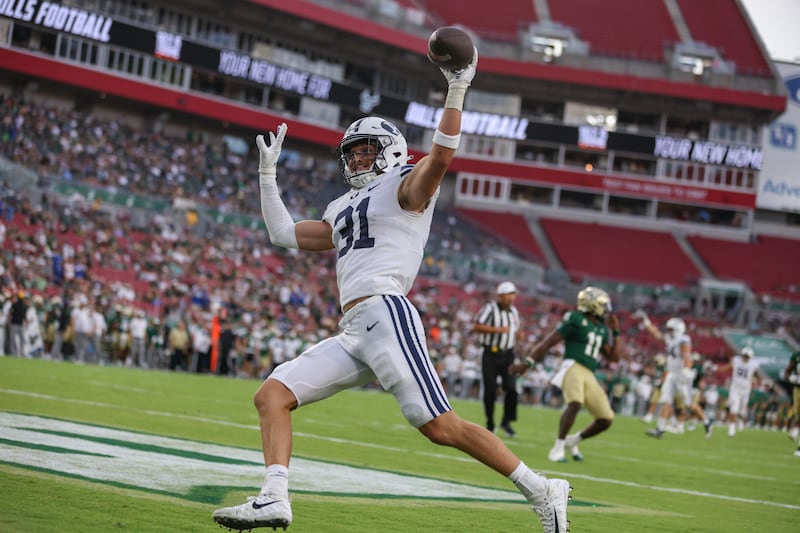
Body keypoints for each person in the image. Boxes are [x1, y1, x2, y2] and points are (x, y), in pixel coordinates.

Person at [212, 48, 572, 533]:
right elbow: (284, 234)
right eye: (352, 152)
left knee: (440, 426)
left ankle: (543, 490)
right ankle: (274, 498)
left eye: (367, 149)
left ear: (393, 151)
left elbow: (441, 155)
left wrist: (458, 85)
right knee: (272, 394)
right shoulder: (341, 205)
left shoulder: (406, 185)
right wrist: (267, 175)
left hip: (386, 313)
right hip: (354, 328)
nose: (357, 158)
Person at [512, 286, 621, 463]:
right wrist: (528, 362)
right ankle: (557, 448)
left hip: (589, 373)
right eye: (602, 304)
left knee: (606, 419)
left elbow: (613, 358)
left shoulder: (600, 328)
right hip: (573, 366)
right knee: (575, 404)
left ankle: (573, 440)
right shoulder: (576, 320)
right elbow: (549, 342)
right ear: (592, 304)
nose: (605, 309)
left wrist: (615, 333)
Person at [637, 313, 712, 439]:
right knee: (666, 400)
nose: (669, 331)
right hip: (672, 374)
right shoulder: (670, 338)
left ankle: (707, 422)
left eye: (671, 329)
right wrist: (647, 322)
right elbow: (657, 334)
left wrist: (686, 370)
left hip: (682, 375)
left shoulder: (683, 340)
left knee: (689, 403)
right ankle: (660, 429)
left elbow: (687, 356)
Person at [473, 281, 522, 437]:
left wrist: (519, 336)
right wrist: (497, 330)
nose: (511, 298)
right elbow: (476, 326)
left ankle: (506, 421)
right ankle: (490, 423)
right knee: (490, 390)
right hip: (490, 354)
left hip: (508, 355)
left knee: (512, 389)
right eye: (508, 294)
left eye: (513, 294)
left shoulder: (514, 312)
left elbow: (516, 330)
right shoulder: (490, 308)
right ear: (500, 296)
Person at [722, 347, 760, 437]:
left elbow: (756, 374)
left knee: (742, 408)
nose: (746, 358)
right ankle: (732, 428)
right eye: (744, 355)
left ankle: (740, 419)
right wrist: (719, 369)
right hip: (735, 388)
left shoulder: (753, 364)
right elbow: (729, 366)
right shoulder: (736, 360)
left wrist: (757, 381)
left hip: (746, 389)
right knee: (734, 407)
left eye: (747, 356)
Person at [783, 350, 800, 456]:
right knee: (798, 414)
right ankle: (796, 429)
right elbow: (787, 371)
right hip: (797, 389)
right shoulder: (796, 355)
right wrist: (790, 378)